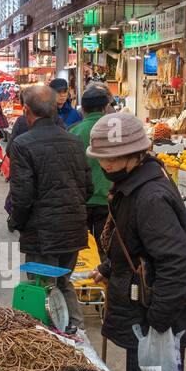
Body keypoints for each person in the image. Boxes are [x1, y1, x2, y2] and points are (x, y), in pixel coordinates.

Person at [87, 113, 186, 371]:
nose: (104, 164)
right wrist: (109, 269)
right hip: (144, 314)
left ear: (136, 154)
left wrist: (157, 324)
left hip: (156, 319)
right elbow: (135, 248)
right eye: (101, 157)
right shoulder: (134, 184)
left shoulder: (149, 196)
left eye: (111, 157)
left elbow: (174, 264)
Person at [6, 85, 91, 334]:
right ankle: (77, 335)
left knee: (41, 288)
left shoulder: (23, 144)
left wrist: (16, 222)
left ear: (26, 111)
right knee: (63, 282)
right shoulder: (74, 141)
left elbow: (22, 196)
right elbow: (88, 186)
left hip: (43, 234)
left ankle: (46, 339)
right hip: (73, 230)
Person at [68, 83, 112, 260]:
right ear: (104, 107)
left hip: (81, 201)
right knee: (105, 248)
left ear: (83, 109)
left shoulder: (74, 132)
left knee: (82, 252)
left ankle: (85, 284)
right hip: (108, 199)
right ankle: (104, 280)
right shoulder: (114, 130)